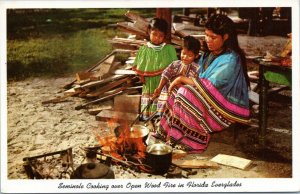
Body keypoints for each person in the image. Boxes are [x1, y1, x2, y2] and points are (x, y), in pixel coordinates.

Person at [155, 14, 251, 153]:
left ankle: (193, 140)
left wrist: (181, 79)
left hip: (223, 107)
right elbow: (197, 77)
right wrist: (179, 79)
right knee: (177, 89)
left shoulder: (231, 59)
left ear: (225, 37)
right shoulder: (210, 54)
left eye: (213, 37)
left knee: (184, 92)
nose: (208, 40)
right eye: (206, 35)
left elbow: (211, 85)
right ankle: (171, 133)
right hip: (208, 98)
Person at [133, 18, 177, 120]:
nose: (157, 38)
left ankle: (160, 121)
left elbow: (175, 66)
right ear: (149, 31)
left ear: (165, 35)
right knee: (149, 101)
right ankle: (148, 120)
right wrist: (141, 77)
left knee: (162, 102)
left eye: (161, 36)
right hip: (149, 83)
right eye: (154, 34)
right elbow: (139, 67)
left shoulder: (169, 49)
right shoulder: (144, 49)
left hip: (164, 83)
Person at [152, 35, 201, 116]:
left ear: (196, 56)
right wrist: (159, 88)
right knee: (163, 112)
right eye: (184, 53)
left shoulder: (196, 69)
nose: (185, 57)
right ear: (181, 51)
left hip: (182, 96)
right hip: (168, 92)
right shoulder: (175, 64)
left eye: (189, 55)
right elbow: (165, 75)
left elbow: (194, 85)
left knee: (176, 115)